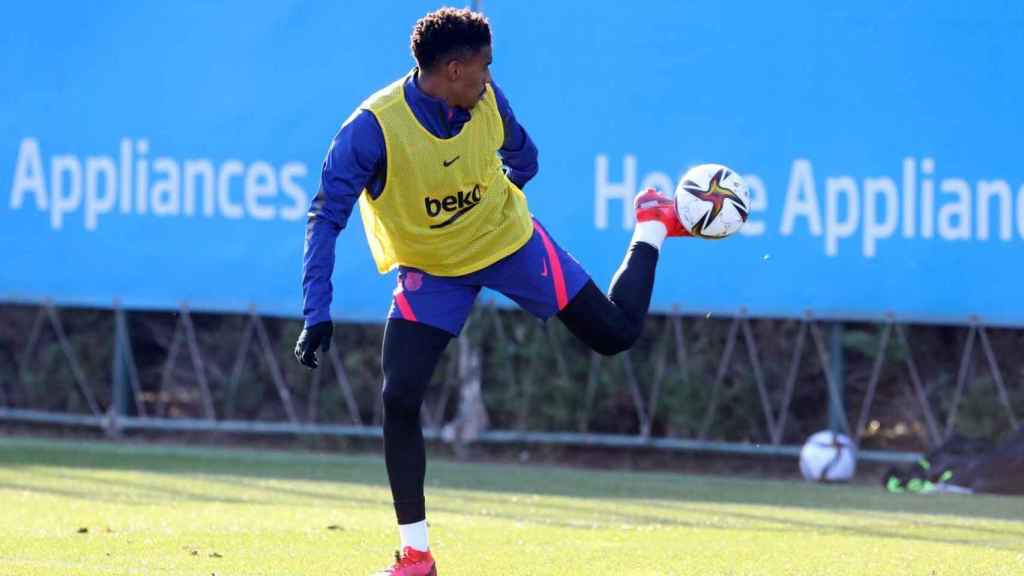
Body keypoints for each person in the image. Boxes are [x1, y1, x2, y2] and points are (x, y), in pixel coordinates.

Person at [294, 8, 690, 575]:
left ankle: (652, 222)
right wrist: (317, 311)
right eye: (483, 67)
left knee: (616, 336)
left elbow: (524, 159)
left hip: (509, 243)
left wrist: (486, 206)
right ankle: (416, 554)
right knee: (399, 399)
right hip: (432, 271)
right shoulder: (371, 129)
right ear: (454, 69)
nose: (489, 77)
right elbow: (325, 215)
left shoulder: (488, 101)